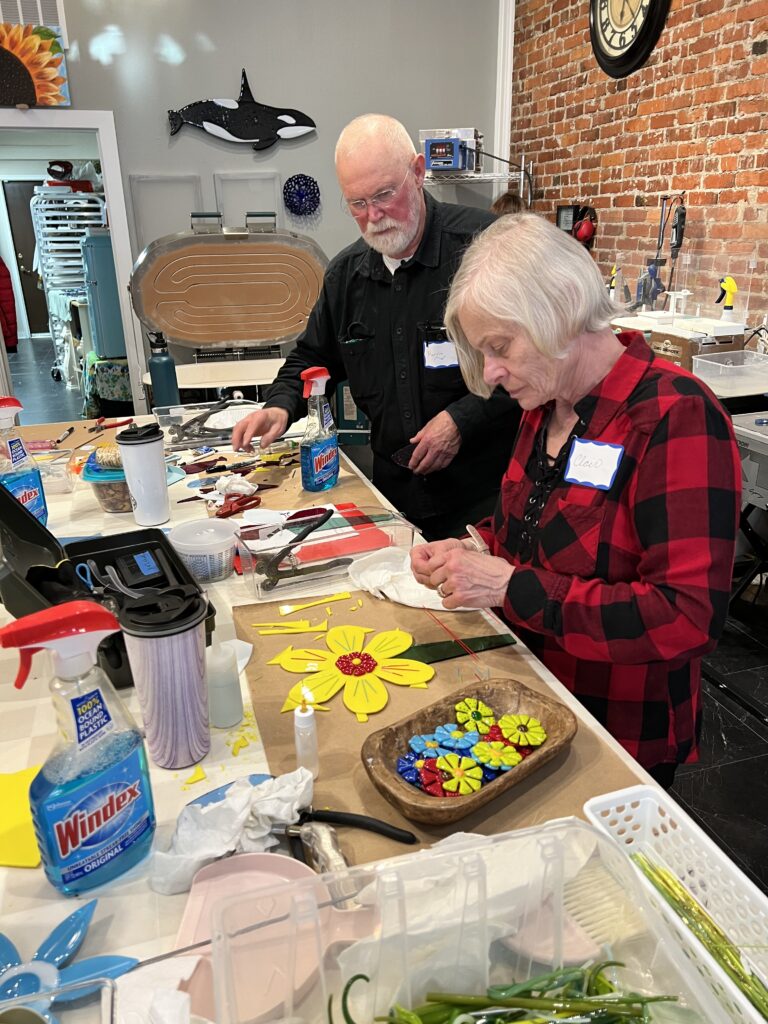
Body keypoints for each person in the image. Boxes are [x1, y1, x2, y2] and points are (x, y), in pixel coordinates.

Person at [410, 212, 741, 787]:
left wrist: (510, 588)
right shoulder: (545, 403)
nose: (491, 373)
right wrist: (474, 547)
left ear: (561, 311)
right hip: (529, 700)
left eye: (500, 346)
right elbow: (541, 523)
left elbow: (686, 617)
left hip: (615, 732)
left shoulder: (674, 415)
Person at [231, 114, 520, 539]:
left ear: (418, 172)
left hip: (486, 498)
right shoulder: (345, 277)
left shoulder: (486, 247)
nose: (374, 215)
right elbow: (312, 357)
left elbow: (535, 358)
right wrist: (279, 406)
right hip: (395, 496)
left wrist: (462, 420)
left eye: (385, 194)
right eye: (357, 203)